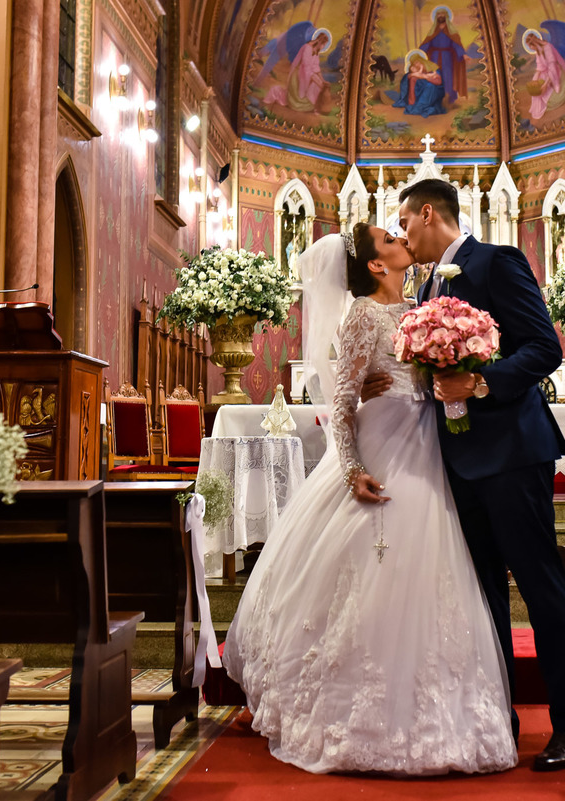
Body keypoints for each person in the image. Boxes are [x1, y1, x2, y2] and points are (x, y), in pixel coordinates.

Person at [222, 228, 516, 776]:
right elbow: (342, 398)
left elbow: (430, 380)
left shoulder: (427, 304)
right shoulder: (362, 314)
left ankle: (434, 710)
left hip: (429, 447)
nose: (402, 235)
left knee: (432, 567)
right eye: (388, 236)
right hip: (383, 451)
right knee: (371, 565)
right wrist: (354, 469)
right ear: (377, 266)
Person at [363, 178, 565, 771]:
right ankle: (501, 718)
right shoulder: (427, 283)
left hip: (513, 453)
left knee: (540, 587)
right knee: (484, 595)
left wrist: (483, 382)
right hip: (458, 460)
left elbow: (544, 348)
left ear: (429, 213)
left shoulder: (497, 261)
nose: (403, 233)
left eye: (405, 222)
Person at [524, 29, 565, 120]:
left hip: (556, 74)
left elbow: (552, 69)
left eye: (530, 46)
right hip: (547, 73)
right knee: (537, 83)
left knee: (551, 100)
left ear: (533, 44)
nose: (531, 48)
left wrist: (546, 84)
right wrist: (534, 80)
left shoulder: (547, 47)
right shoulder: (538, 50)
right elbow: (539, 67)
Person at [264, 30, 329, 112]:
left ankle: (314, 106)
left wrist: (322, 80)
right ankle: (291, 101)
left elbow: (316, 67)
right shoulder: (307, 48)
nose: (323, 47)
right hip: (299, 74)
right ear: (320, 42)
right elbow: (306, 65)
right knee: (316, 84)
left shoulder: (316, 53)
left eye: (324, 45)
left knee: (319, 84)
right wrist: (314, 78)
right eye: (323, 44)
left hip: (309, 74)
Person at [392, 51, 446, 118]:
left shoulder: (432, 67)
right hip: (424, 89)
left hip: (436, 89)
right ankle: (413, 103)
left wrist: (426, 77)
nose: (416, 65)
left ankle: (421, 106)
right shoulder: (416, 70)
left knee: (430, 86)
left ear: (421, 60)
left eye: (417, 62)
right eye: (414, 64)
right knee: (413, 79)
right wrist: (415, 74)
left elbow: (439, 82)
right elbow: (408, 77)